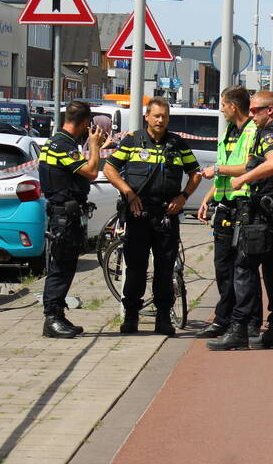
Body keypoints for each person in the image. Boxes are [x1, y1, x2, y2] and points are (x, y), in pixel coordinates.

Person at [208, 91, 273, 351]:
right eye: (251, 110)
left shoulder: (269, 134)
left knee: (244, 266)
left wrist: (245, 178)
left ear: (270, 111)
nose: (251, 114)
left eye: (256, 110)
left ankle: (241, 329)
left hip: (260, 210)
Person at [104, 97, 202, 336]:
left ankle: (163, 318)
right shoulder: (133, 141)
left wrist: (183, 197)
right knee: (136, 268)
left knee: (165, 269)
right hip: (139, 214)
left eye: (165, 116)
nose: (160, 120)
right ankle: (131, 317)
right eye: (156, 115)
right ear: (147, 116)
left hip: (166, 216)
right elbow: (109, 168)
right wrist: (127, 192)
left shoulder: (177, 144)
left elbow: (195, 173)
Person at [195, 86, 263, 340]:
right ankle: (224, 319)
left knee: (244, 269)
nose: (221, 109)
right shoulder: (228, 132)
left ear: (233, 106)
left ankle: (249, 323)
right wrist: (207, 198)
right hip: (224, 205)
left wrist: (220, 169)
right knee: (223, 268)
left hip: (244, 206)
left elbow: (249, 166)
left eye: (222, 104)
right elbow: (223, 169)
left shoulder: (253, 132)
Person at [38, 100, 104, 338]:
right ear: (86, 123)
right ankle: (52, 318)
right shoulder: (63, 146)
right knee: (61, 267)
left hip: (64, 214)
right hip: (63, 216)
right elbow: (92, 172)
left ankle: (58, 314)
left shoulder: (54, 142)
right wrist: (95, 145)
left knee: (64, 266)